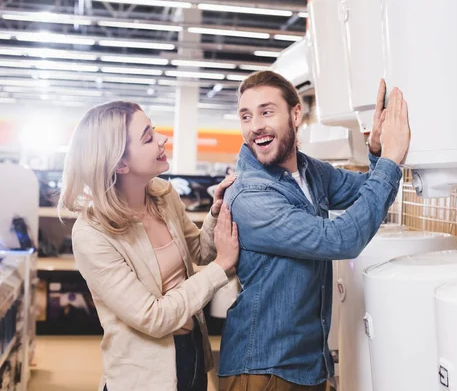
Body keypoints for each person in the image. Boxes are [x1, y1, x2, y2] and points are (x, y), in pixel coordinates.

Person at [218, 71, 410, 390]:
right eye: (246, 116)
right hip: (263, 370)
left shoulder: (310, 172)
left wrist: (377, 151)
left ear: (296, 114)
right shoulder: (251, 195)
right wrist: (390, 159)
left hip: (308, 365)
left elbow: (368, 192)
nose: (255, 126)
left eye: (267, 112)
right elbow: (341, 239)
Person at [59, 101, 240, 391]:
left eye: (153, 130)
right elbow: (153, 317)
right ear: (120, 163)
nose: (162, 139)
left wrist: (216, 212)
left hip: (191, 352)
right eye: (147, 137)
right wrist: (220, 268)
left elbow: (199, 251)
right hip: (143, 374)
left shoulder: (163, 196)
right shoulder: (92, 234)